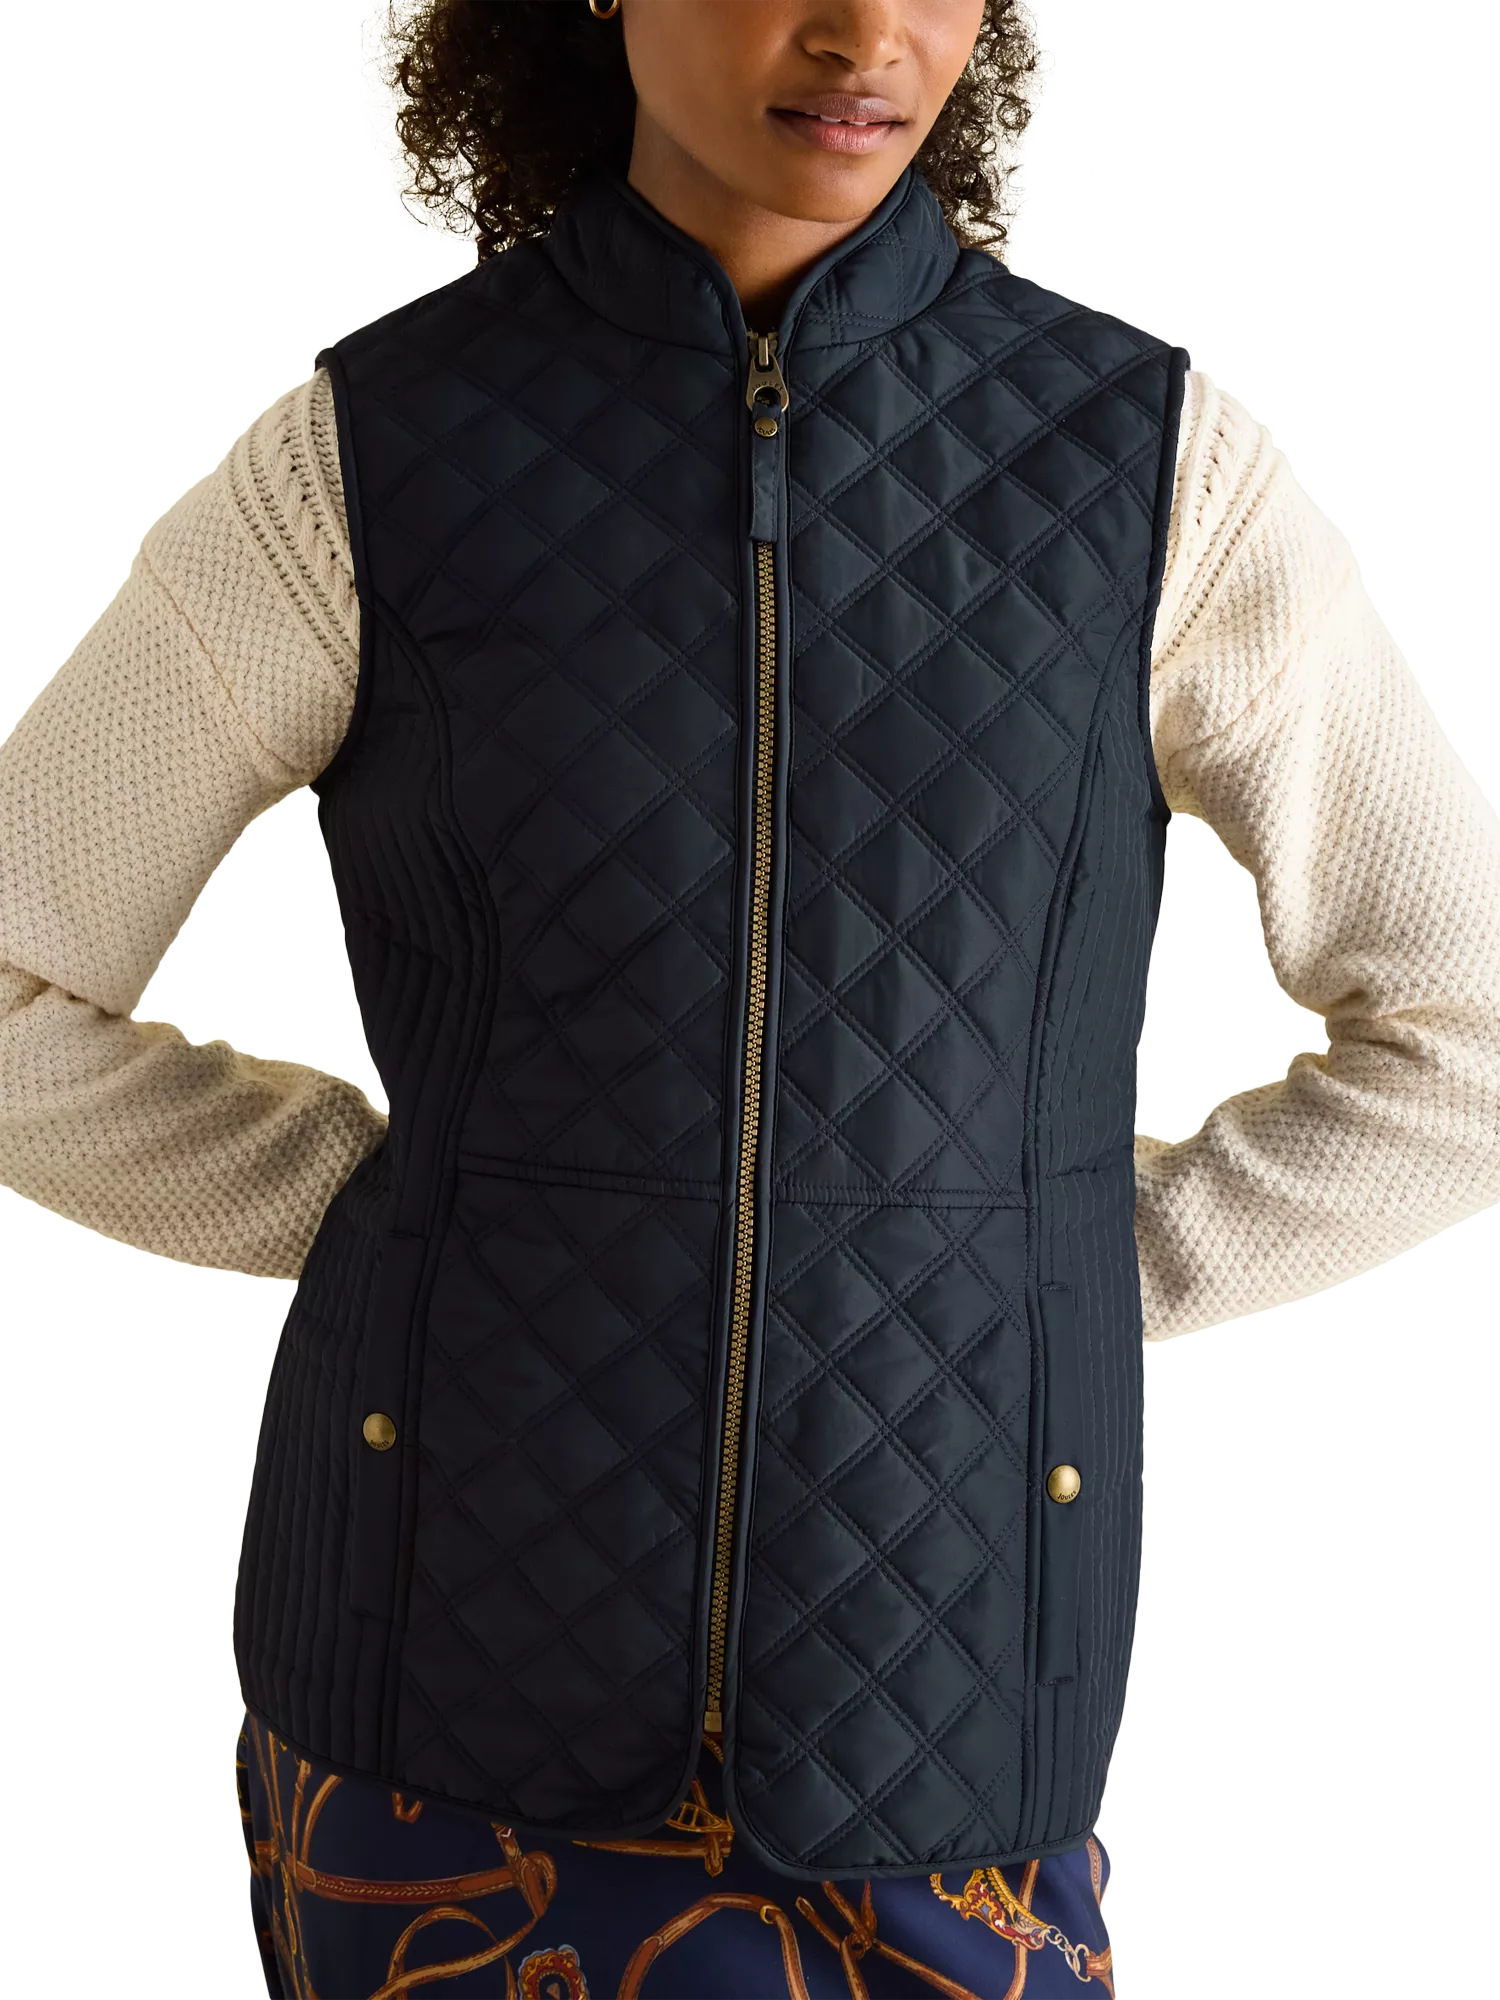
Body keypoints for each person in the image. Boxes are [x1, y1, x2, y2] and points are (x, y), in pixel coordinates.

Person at [2, 2, 1498, 1994]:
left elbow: (1465, 1031)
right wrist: (401, 1213)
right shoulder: (368, 457)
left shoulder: (1152, 467)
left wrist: (1046, 1257)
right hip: (441, 1709)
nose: (863, 31)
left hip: (946, 1713)